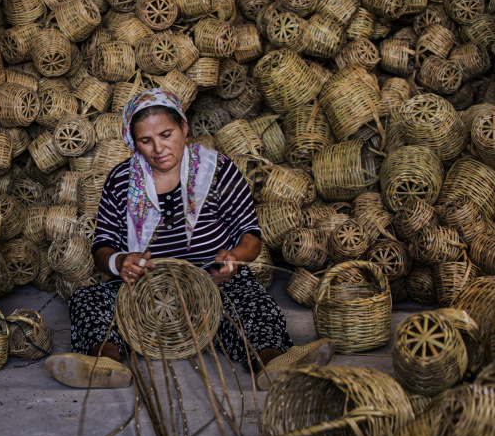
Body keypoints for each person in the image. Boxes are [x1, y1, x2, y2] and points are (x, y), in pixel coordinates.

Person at [45, 88, 334, 390]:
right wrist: (120, 262)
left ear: (184, 127)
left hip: (211, 284)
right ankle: (105, 363)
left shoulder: (217, 170)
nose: (159, 148)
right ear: (134, 143)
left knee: (251, 301)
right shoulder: (121, 179)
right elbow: (102, 245)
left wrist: (235, 257)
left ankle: (272, 361)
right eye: (146, 140)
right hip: (145, 291)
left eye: (166, 134)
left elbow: (251, 236)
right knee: (87, 299)